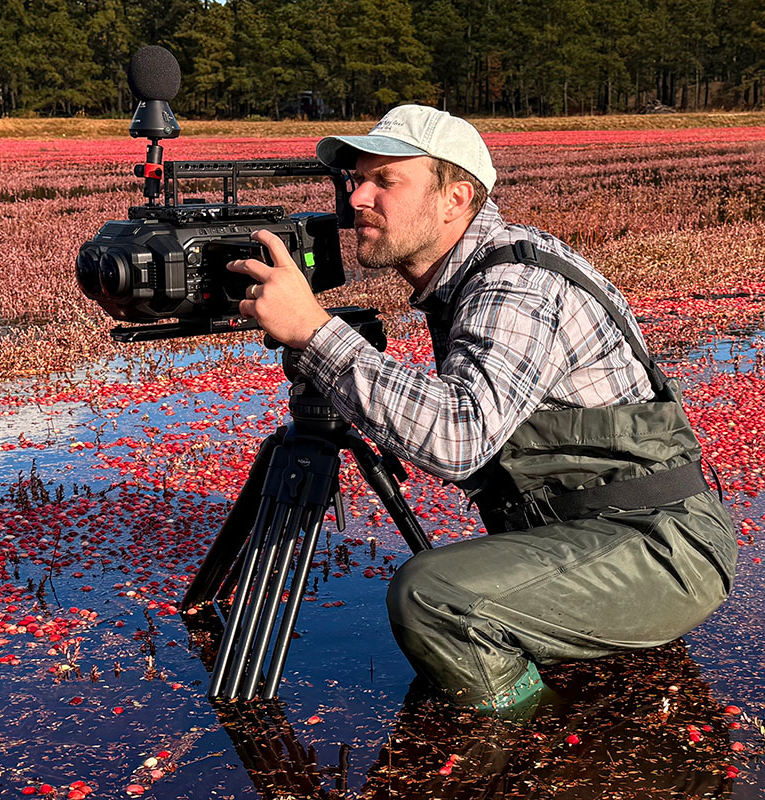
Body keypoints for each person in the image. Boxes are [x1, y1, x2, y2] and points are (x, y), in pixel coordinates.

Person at [226, 104, 737, 713]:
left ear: (456, 198)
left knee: (435, 597)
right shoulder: (466, 278)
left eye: (385, 181)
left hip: (657, 544)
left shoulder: (514, 284)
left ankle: (530, 735)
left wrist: (315, 333)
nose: (356, 196)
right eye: (355, 179)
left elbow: (458, 439)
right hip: (594, 529)